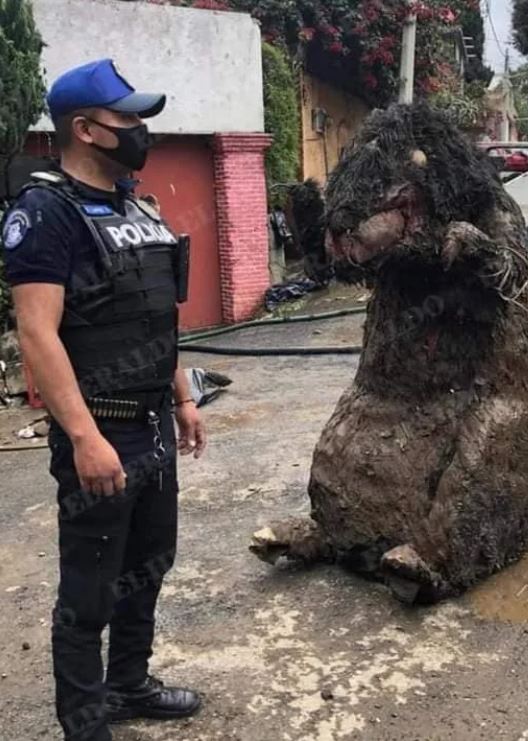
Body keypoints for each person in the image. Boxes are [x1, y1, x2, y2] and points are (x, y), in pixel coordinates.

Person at [1, 59, 207, 741]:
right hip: (103, 430)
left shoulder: (134, 205)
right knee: (90, 585)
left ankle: (128, 683)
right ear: (86, 129)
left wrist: (183, 395)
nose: (141, 132)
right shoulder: (44, 212)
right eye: (129, 121)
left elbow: (156, 315)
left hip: (153, 424)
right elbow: (37, 331)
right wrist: (85, 435)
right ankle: (85, 723)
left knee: (149, 563)